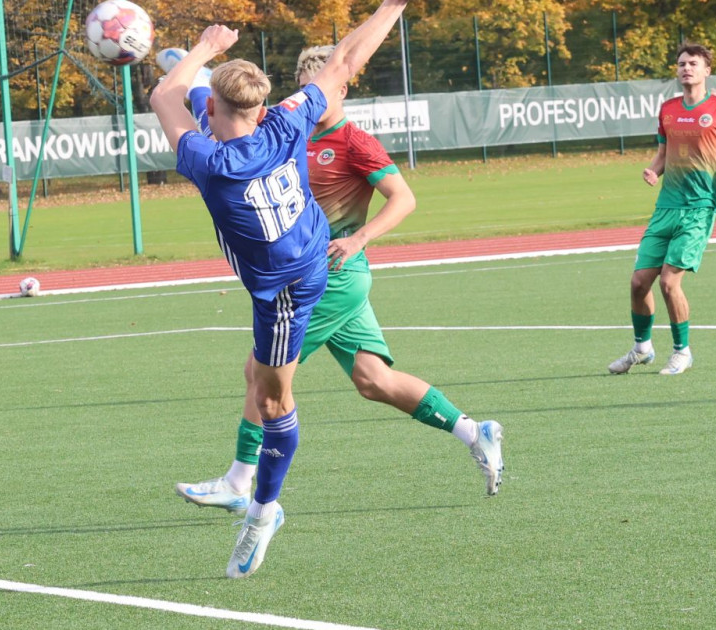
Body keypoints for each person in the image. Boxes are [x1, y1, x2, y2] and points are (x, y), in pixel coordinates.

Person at [165, 44, 505, 521]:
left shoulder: (354, 142)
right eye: (305, 85)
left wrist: (360, 238)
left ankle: (239, 481)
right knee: (374, 380)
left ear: (340, 88)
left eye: (320, 84)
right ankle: (475, 431)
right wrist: (195, 70)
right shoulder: (281, 129)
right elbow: (218, 112)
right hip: (325, 272)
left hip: (330, 273)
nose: (311, 93)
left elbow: (403, 199)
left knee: (258, 374)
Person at [149, 0, 406, 578]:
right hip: (311, 255)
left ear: (215, 108)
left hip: (287, 291)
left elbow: (165, 98)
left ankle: (263, 510)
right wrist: (392, 6)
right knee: (259, 385)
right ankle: (246, 487)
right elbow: (345, 57)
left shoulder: (208, 162)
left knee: (271, 401)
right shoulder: (288, 120)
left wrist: (205, 49)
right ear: (262, 106)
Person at [608, 43, 716, 375]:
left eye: (693, 63)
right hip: (665, 207)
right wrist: (654, 170)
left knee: (669, 282)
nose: (686, 68)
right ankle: (642, 349)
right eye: (681, 63)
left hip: (698, 209)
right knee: (639, 282)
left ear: (707, 70)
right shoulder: (667, 109)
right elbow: (665, 152)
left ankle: (682, 352)